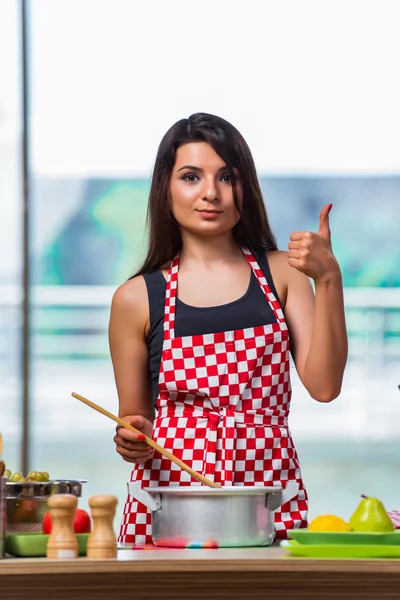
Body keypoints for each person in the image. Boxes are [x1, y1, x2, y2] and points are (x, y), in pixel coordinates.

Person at [109, 112, 348, 546]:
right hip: (170, 501)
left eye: (226, 177)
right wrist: (131, 437)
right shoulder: (135, 299)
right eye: (190, 177)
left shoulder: (284, 274)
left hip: (266, 494)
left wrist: (328, 279)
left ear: (245, 187)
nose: (210, 193)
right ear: (165, 188)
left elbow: (325, 386)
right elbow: (134, 418)